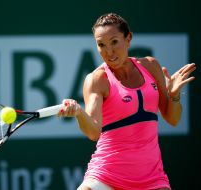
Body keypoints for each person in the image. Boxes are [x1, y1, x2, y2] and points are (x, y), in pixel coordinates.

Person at [58, 13, 196, 190]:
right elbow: (93, 132)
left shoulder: (151, 66)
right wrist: (79, 113)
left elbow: (173, 118)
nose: (109, 52)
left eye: (114, 42)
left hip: (152, 178)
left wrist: (174, 96)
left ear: (128, 38)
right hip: (106, 176)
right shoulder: (97, 80)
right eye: (101, 45)